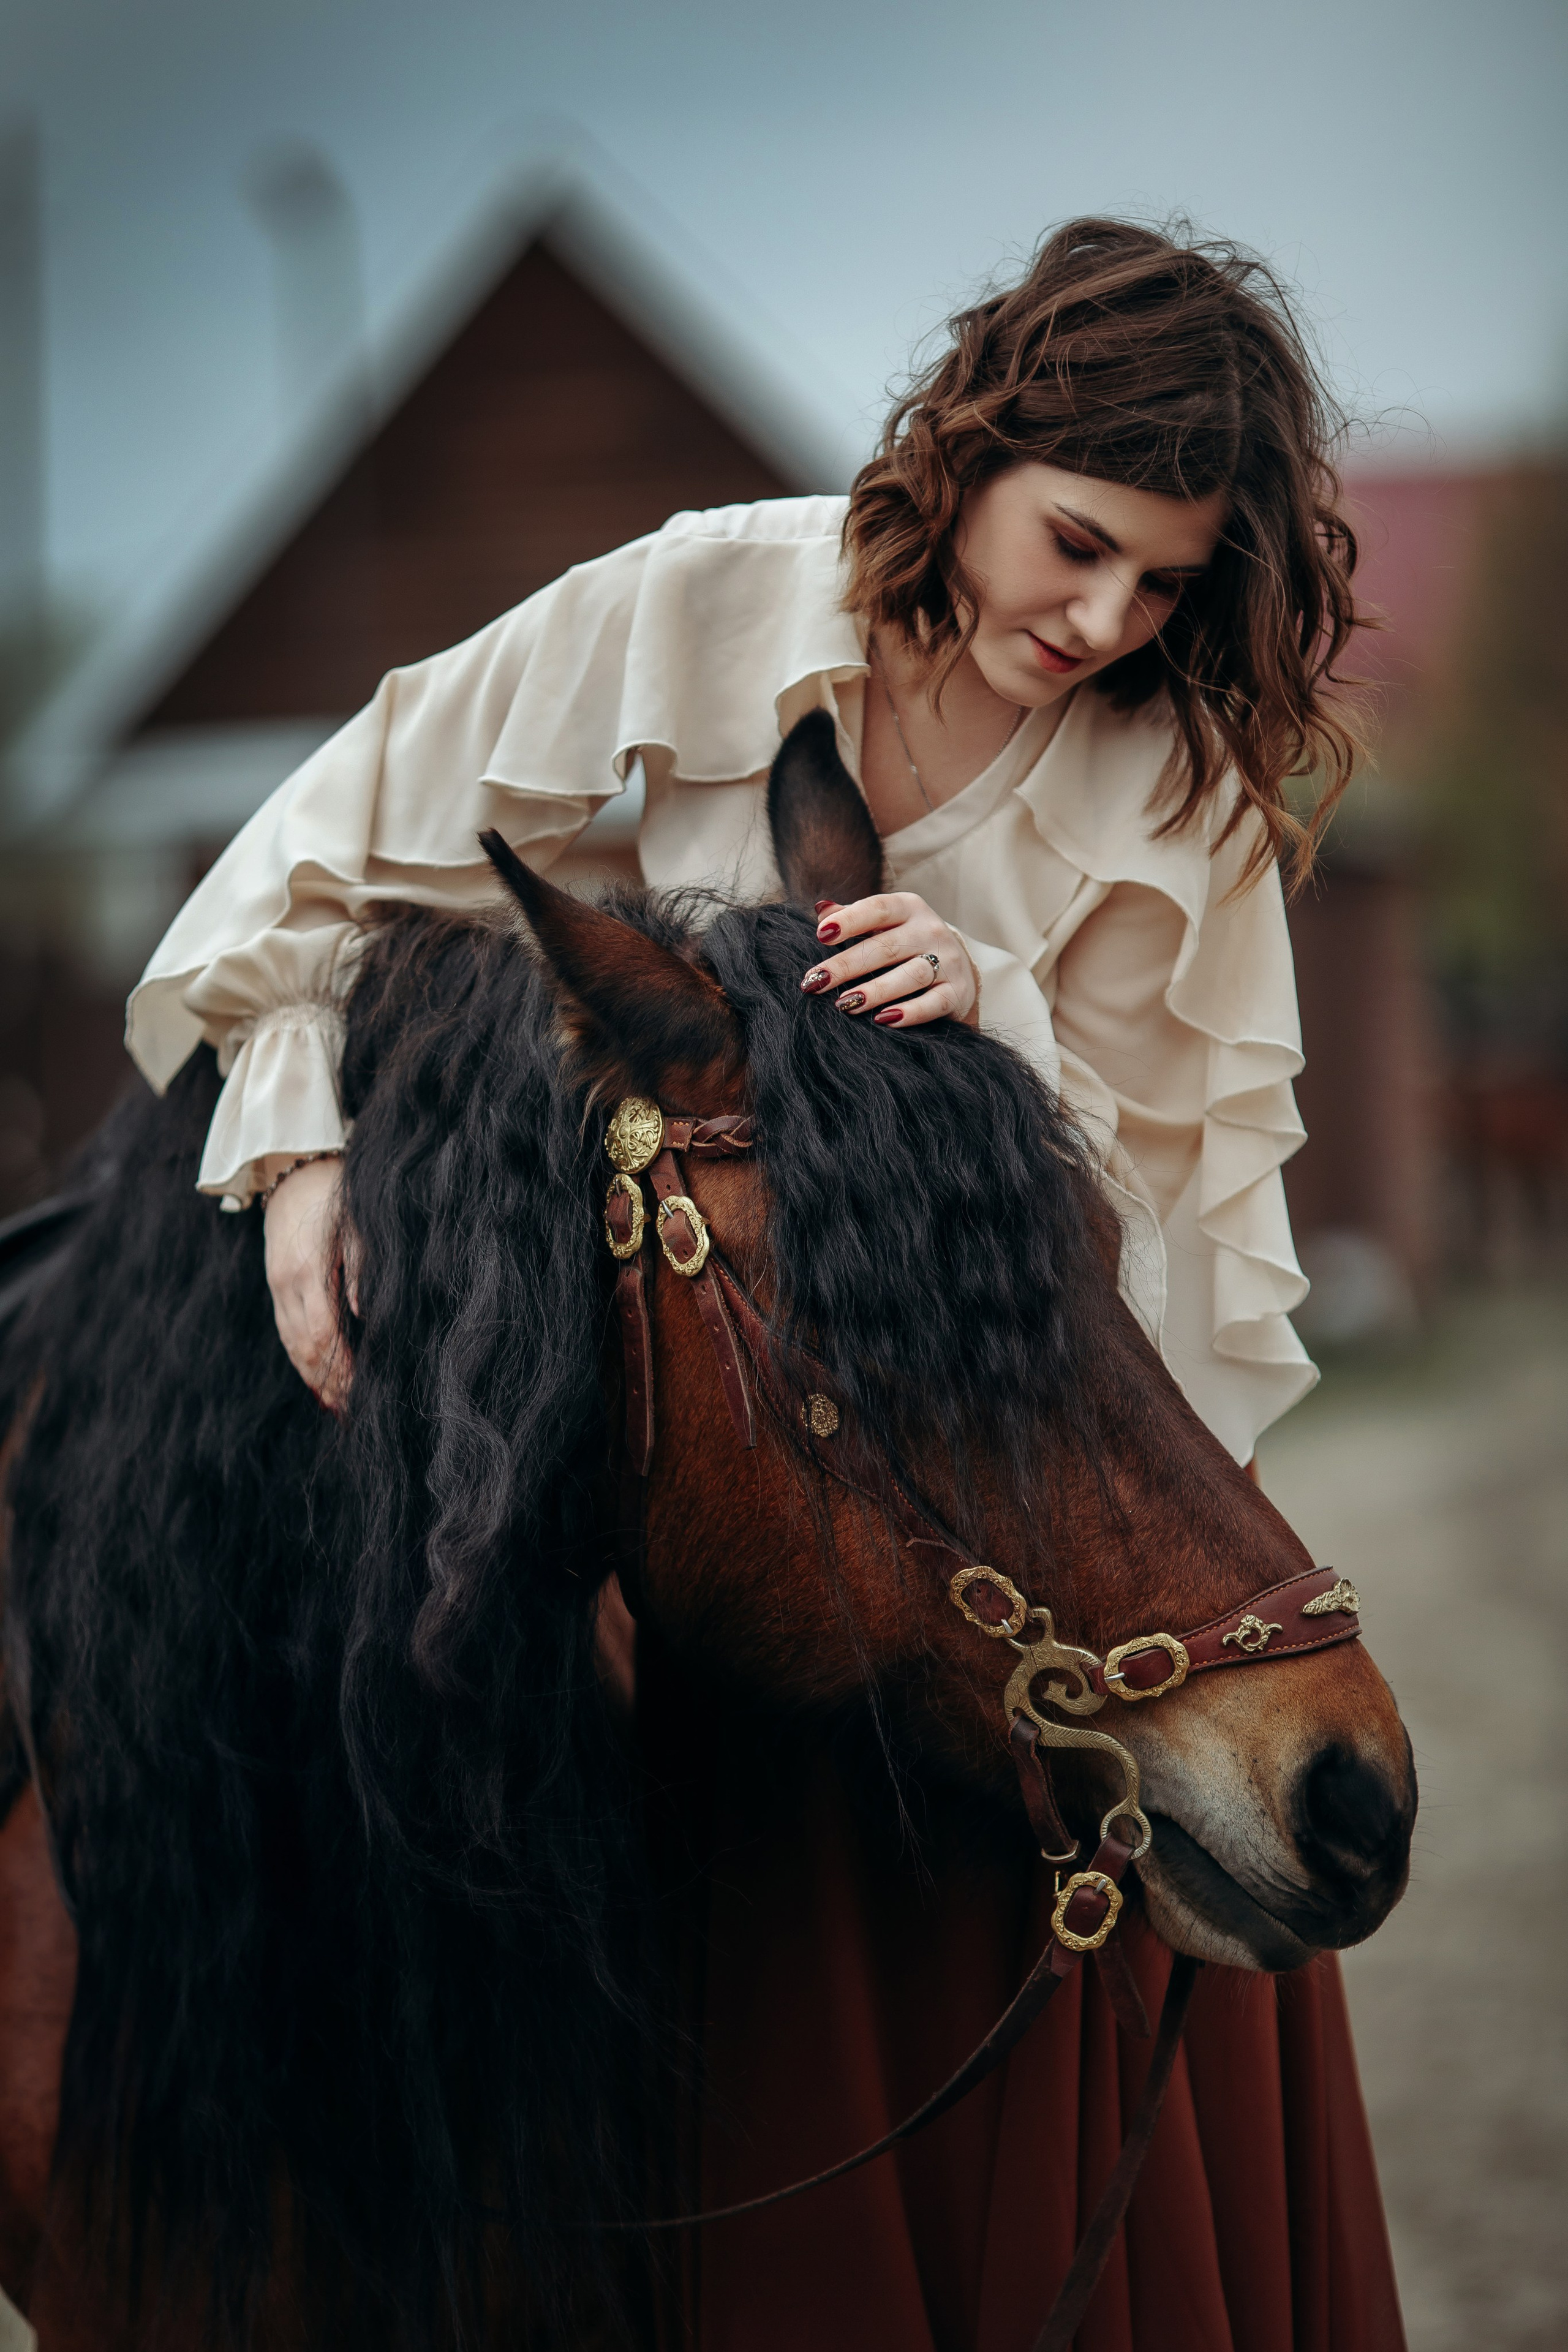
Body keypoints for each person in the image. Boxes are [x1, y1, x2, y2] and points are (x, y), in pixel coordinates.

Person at [127, 219, 1403, 2348]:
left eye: (1166, 583)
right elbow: (318, 848)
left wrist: (997, 1014)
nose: (1104, 619)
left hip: (1011, 1519)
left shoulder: (1168, 783)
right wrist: (293, 1137)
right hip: (715, 1436)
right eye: (1075, 543)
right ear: (967, 453)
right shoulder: (710, 587)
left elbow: (1181, 1283)